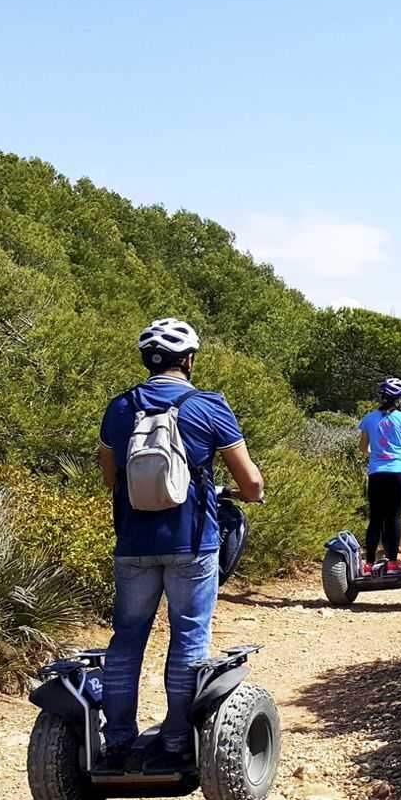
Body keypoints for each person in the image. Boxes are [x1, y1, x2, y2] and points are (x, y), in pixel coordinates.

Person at [96, 318, 264, 773]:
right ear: (188, 360)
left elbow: (110, 477)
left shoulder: (120, 407)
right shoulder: (208, 406)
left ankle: (116, 743)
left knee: (127, 641)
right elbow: (250, 482)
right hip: (192, 543)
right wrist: (248, 493)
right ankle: (174, 741)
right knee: (188, 635)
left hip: (132, 543)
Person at [357, 377, 401, 576]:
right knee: (394, 515)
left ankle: (369, 563)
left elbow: (362, 448)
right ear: (398, 399)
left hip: (376, 472)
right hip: (398, 471)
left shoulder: (368, 419)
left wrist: (376, 454)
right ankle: (392, 561)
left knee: (375, 517)